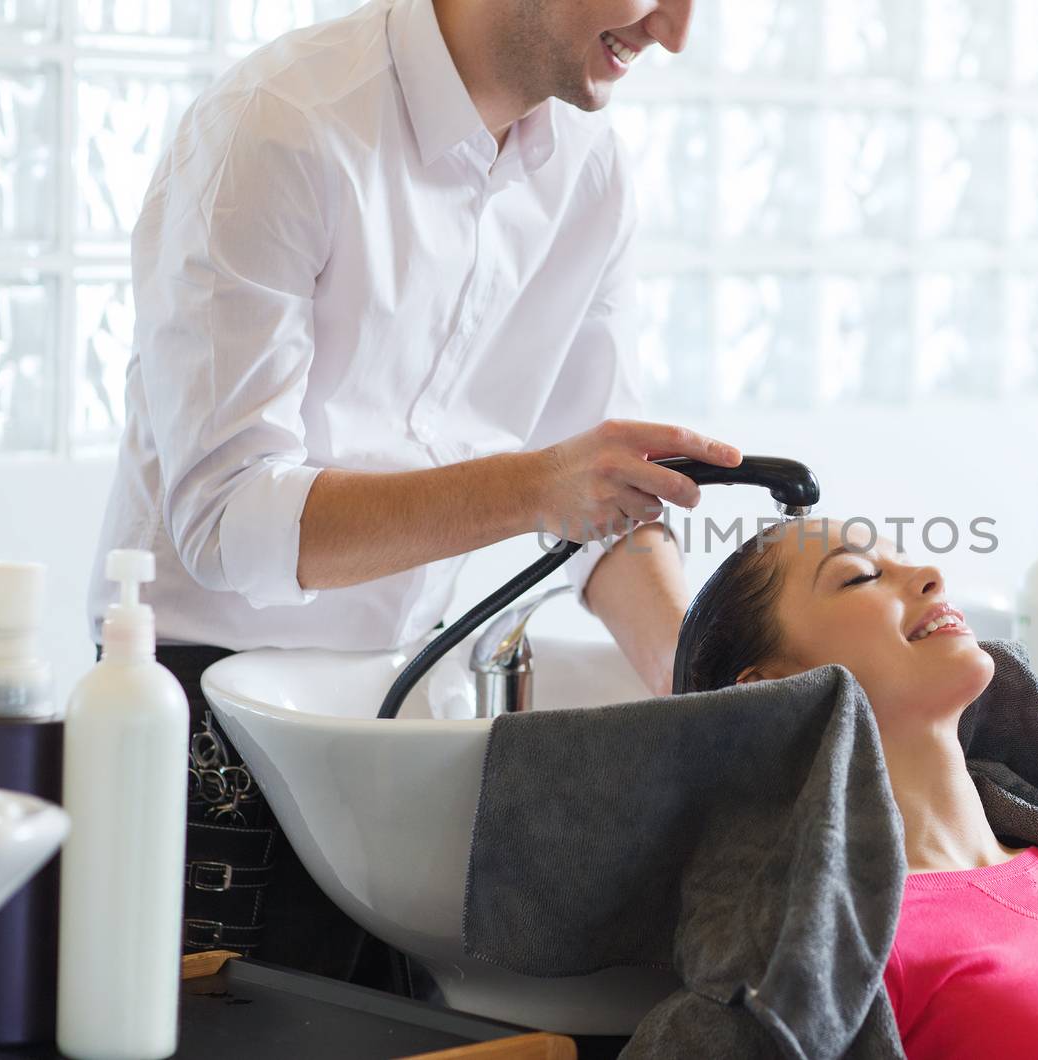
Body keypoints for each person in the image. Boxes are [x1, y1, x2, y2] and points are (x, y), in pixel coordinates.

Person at [84, 0, 731, 989]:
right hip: (209, 733)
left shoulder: (588, 174)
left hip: (405, 726)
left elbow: (601, 516)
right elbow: (230, 523)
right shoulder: (277, 125)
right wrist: (536, 489)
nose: (673, 33)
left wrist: (711, 696)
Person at [673, 517, 1038, 1058]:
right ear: (770, 688)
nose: (931, 576)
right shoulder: (841, 956)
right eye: (859, 576)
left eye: (908, 558)